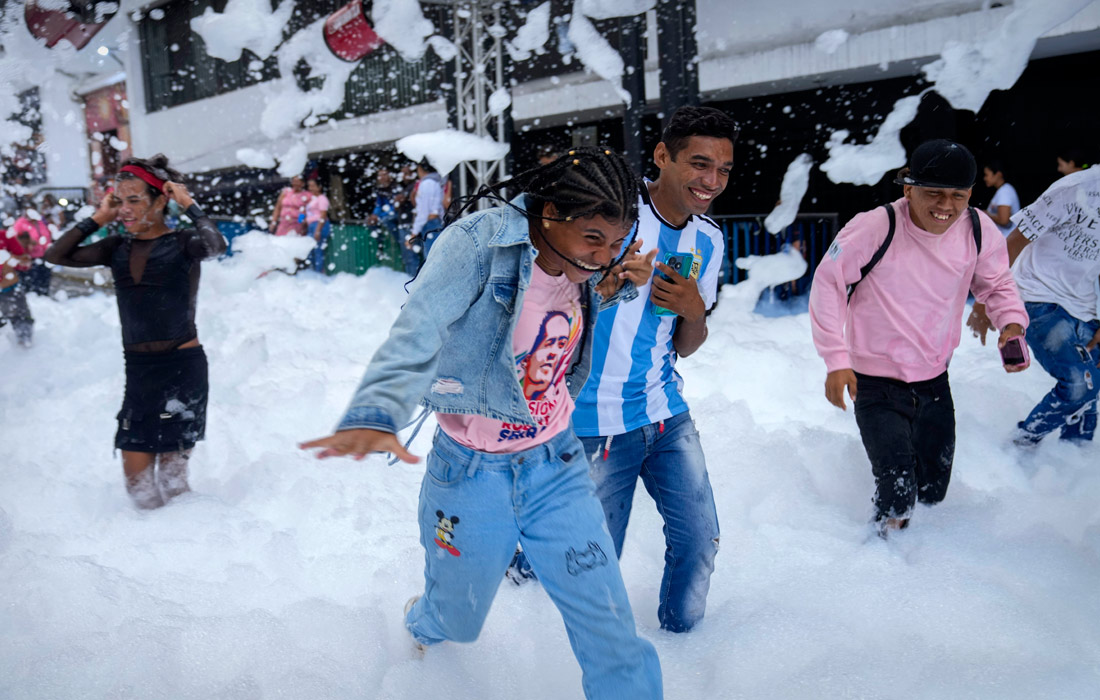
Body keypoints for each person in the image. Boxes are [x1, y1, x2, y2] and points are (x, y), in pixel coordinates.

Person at [300, 147, 663, 699]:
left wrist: (613, 284)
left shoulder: (585, 263)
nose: (605, 256)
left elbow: (552, 325)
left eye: (617, 243)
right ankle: (424, 621)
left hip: (557, 466)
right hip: (472, 474)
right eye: (593, 240)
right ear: (548, 216)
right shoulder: (477, 245)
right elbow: (418, 329)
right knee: (457, 618)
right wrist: (377, 411)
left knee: (610, 626)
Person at [509, 106, 737, 637]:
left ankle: (684, 644)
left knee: (701, 540)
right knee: (588, 559)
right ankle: (519, 574)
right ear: (662, 156)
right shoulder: (608, 216)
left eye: (723, 170)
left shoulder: (709, 239)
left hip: (664, 413)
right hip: (588, 421)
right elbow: (544, 307)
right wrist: (606, 286)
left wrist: (693, 310)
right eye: (700, 164)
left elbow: (688, 343)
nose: (711, 181)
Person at [809, 139, 1028, 536]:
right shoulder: (876, 226)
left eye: (957, 196)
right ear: (908, 189)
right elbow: (829, 283)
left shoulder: (979, 230)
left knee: (932, 491)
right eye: (933, 193)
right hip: (875, 383)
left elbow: (996, 284)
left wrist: (1011, 324)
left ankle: (923, 560)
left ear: (970, 195)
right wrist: (836, 359)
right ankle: (881, 558)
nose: (945, 205)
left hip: (934, 380)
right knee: (897, 491)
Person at [45, 154, 227, 509]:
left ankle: (188, 548)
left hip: (181, 370)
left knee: (172, 481)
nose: (125, 210)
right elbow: (56, 255)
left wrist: (188, 204)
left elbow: (216, 246)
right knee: (138, 485)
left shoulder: (183, 243)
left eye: (134, 200)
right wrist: (97, 218)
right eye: (119, 201)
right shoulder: (115, 247)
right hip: (140, 374)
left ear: (160, 201)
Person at [969, 167, 1100, 445]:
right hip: (1040, 298)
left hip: (1088, 309)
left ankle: (1066, 467)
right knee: (1079, 386)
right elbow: (1014, 241)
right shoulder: (1074, 189)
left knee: (1090, 395)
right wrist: (984, 302)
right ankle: (1020, 446)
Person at [11, 200, 54, 296]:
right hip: (29, 257)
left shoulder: (40, 222)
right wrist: (28, 242)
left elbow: (47, 235)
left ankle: (44, 297)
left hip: (43, 255)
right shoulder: (21, 222)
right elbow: (14, 239)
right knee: (32, 281)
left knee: (44, 279)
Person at [1, 229, 34, 346]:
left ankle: (24, 351)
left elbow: (25, 261)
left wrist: (11, 259)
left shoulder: (4, 236)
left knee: (22, 322)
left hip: (9, 289)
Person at [407, 160, 445, 261]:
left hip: (430, 223)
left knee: (431, 259)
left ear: (420, 169)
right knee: (438, 256)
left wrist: (413, 234)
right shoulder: (437, 181)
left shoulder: (427, 183)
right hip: (436, 222)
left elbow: (423, 211)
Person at [982, 159, 1020, 238]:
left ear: (998, 174)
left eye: (986, 175)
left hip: (1005, 240)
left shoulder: (1005, 192)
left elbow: (1004, 220)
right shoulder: (1003, 190)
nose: (984, 178)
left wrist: (986, 214)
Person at [304, 178, 331, 273]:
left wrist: (318, 230)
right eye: (309, 186)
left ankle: (318, 272)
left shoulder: (322, 198)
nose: (310, 188)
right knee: (310, 250)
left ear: (319, 187)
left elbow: (323, 215)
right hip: (311, 226)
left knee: (318, 250)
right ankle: (312, 271)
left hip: (319, 225)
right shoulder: (311, 199)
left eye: (313, 186)